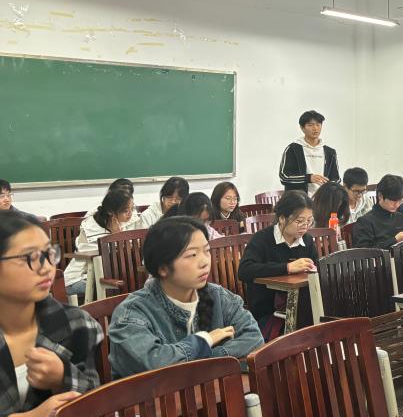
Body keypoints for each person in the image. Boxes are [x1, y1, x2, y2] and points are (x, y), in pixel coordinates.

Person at [108, 217, 262, 378]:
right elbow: (154, 363)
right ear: (163, 268)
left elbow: (254, 337)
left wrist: (205, 357)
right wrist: (204, 340)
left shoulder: (218, 296)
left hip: (211, 391)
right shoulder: (132, 313)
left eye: (207, 251)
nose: (204, 262)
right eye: (192, 255)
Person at [0, 211, 102, 417]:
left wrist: (63, 377)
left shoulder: (76, 324)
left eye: (49, 254)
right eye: (30, 257)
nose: (47, 267)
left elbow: (98, 408)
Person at [238, 191, 319, 340]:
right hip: (268, 311)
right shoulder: (262, 239)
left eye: (309, 221)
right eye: (299, 221)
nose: (305, 226)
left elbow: (317, 269)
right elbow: (244, 270)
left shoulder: (307, 240)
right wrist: (287, 268)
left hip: (301, 308)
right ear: (282, 218)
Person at [63, 188, 136, 298]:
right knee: (121, 287)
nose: (131, 214)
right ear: (111, 211)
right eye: (126, 211)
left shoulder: (117, 224)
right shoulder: (92, 229)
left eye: (132, 209)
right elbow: (104, 261)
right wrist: (116, 236)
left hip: (98, 276)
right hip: (76, 280)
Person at [279, 110, 340, 196]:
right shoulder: (293, 149)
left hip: (322, 199)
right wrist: (309, 178)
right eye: (310, 125)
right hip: (299, 199)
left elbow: (336, 179)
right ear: (302, 128)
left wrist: (328, 186)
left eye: (318, 124)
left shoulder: (330, 152)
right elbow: (284, 177)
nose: (315, 128)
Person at [352, 175, 403, 250]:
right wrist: (394, 240)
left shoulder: (401, 218)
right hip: (380, 257)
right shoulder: (365, 222)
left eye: (400, 201)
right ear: (380, 196)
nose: (397, 205)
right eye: (393, 201)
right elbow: (364, 252)